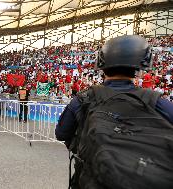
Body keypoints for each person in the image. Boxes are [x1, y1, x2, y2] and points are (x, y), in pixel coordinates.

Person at [55, 35, 173, 189]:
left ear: (102, 65)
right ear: (138, 68)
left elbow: (61, 133)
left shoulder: (83, 100)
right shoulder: (158, 102)